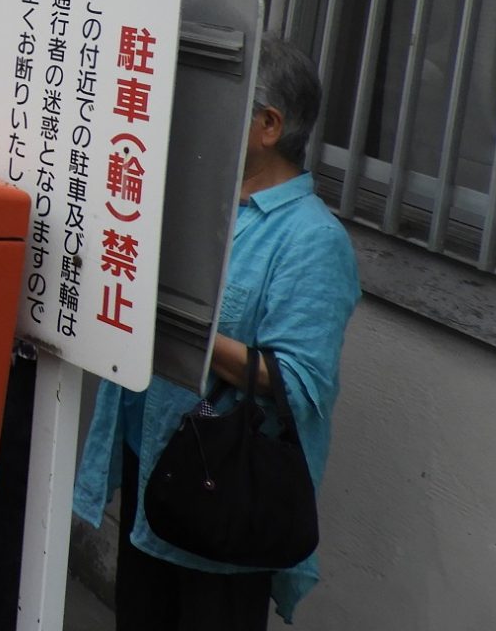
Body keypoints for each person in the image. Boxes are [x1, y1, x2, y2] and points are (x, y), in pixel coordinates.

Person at [74, 38, 360, 629]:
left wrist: (175, 327)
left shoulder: (312, 239)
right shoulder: (203, 202)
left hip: (221, 493)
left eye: (223, 101)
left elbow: (296, 384)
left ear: (269, 125)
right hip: (152, 467)